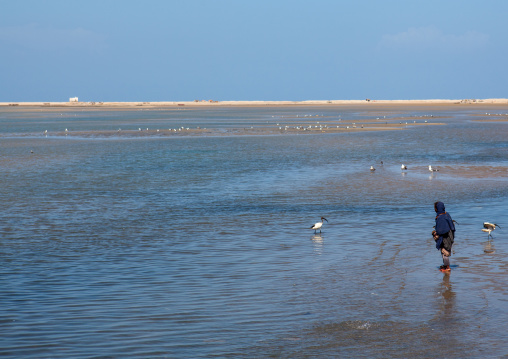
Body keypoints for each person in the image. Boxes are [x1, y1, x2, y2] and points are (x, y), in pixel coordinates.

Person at [432, 201, 455, 272]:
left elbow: (441, 230)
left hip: (445, 236)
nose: (435, 209)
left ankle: (447, 267)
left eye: (435, 208)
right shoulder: (446, 214)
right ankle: (445, 265)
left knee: (445, 251)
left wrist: (436, 233)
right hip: (450, 235)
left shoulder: (440, 217)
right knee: (445, 250)